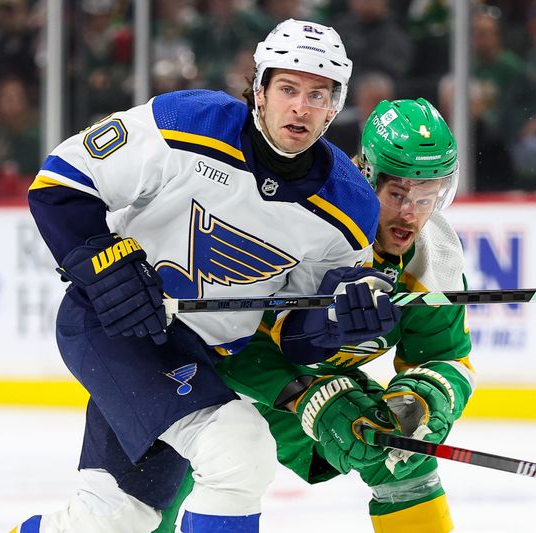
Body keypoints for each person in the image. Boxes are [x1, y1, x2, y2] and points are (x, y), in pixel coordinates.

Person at [14, 18, 401, 533]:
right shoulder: (186, 122)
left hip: (201, 357)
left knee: (114, 519)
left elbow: (295, 337)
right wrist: (105, 263)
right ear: (259, 89)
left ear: (335, 106)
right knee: (239, 450)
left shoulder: (349, 206)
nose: (301, 107)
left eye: (318, 94)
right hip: (116, 329)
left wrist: (338, 322)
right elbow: (61, 183)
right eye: (287, 88)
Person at [162, 98, 474, 532]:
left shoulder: (433, 254)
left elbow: (446, 355)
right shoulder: (306, 218)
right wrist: (307, 394)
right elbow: (221, 329)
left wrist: (423, 400)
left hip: (304, 384)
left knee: (403, 464)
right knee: (149, 500)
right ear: (367, 176)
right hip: (204, 371)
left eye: (427, 197)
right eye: (398, 194)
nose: (411, 214)